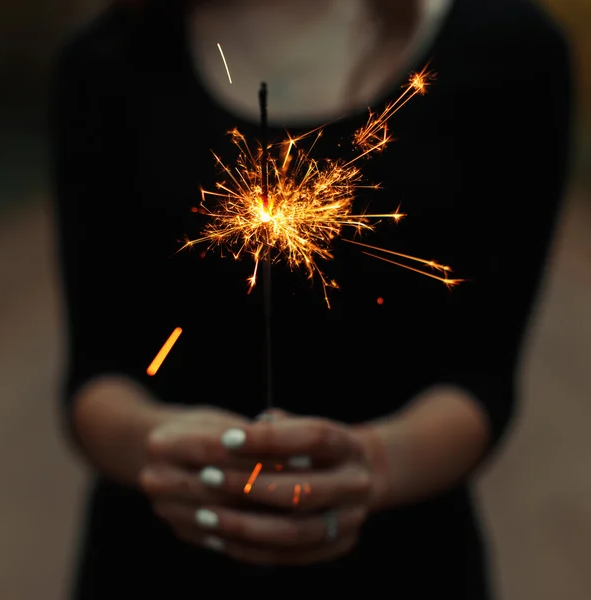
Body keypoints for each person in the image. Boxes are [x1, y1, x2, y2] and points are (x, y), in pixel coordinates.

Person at [50, 0, 572, 597]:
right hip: (151, 571)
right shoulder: (104, 60)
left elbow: (483, 374)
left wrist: (376, 463)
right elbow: (96, 372)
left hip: (404, 569)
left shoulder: (507, 51)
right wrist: (154, 445)